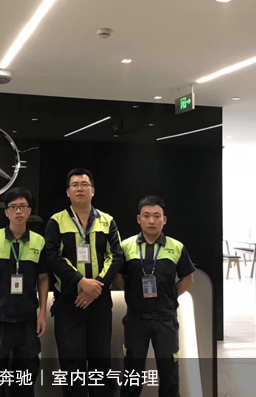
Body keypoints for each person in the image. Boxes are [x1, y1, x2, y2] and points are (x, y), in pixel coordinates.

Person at [45, 168, 123, 397]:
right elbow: (52, 257)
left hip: (99, 302)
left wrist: (95, 288)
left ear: (93, 191)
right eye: (75, 185)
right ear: (68, 192)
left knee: (101, 361)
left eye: (84, 184)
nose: (80, 188)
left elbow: (116, 256)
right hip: (69, 302)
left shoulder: (107, 221)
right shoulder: (56, 221)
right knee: (72, 364)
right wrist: (81, 282)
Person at [115, 196, 195, 397]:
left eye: (157, 216)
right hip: (136, 319)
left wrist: (170, 296)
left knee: (169, 376)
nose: (152, 221)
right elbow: (119, 277)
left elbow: (188, 279)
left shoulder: (176, 247)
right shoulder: (126, 246)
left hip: (165, 319)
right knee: (132, 375)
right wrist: (132, 294)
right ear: (138, 219)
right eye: (147, 216)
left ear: (164, 220)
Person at [0, 188, 49, 397]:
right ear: (6, 212)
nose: (18, 211)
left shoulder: (39, 242)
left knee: (25, 376)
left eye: (23, 207)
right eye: (13, 207)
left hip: (27, 320)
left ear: (29, 211)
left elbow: (43, 278)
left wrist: (42, 313)